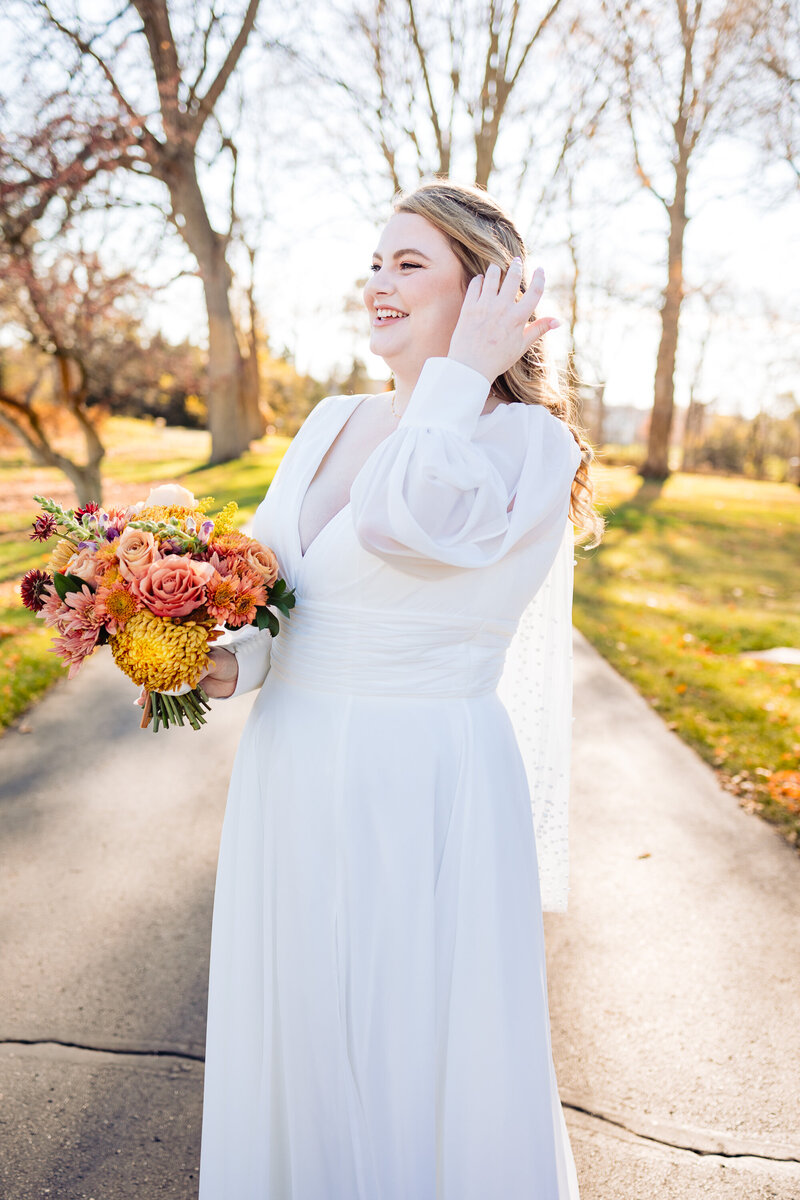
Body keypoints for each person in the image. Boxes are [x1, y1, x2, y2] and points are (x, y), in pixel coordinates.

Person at [196, 179, 603, 1199]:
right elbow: (285, 593)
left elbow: (401, 523)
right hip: (288, 773)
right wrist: (216, 659)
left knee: (404, 1041)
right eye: (374, 263)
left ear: (488, 289)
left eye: (407, 263)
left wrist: (459, 376)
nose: (377, 284)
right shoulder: (328, 420)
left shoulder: (526, 444)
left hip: (422, 785)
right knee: (298, 1029)